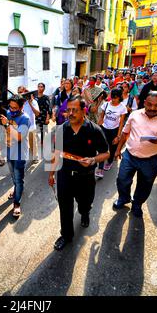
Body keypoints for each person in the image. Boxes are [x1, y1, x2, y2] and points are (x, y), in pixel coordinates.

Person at [48, 95, 109, 250]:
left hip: (86, 177)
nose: (71, 113)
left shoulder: (94, 130)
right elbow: (56, 152)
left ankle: (85, 212)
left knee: (85, 202)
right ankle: (66, 235)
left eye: (74, 110)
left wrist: (93, 160)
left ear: (84, 110)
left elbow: (106, 153)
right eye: (68, 110)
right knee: (65, 206)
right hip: (65, 176)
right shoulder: (62, 129)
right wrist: (51, 174)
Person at [112, 92, 157, 217]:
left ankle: (137, 204)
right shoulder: (135, 114)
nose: (152, 108)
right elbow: (125, 133)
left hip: (150, 160)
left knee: (145, 185)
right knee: (122, 180)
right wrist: (118, 150)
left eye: (156, 105)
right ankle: (124, 198)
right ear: (144, 103)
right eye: (149, 104)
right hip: (129, 156)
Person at [0, 95, 30, 217]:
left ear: (21, 107)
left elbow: (19, 137)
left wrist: (7, 125)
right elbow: (4, 131)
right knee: (13, 177)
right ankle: (17, 190)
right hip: (10, 151)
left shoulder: (25, 119)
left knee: (19, 178)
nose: (12, 110)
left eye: (15, 108)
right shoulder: (9, 114)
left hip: (20, 153)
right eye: (10, 107)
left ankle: (17, 203)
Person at [95, 88, 128, 178]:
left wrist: (118, 136)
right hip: (104, 128)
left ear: (119, 97)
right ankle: (100, 169)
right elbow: (101, 118)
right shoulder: (105, 105)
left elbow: (121, 123)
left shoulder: (122, 107)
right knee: (103, 147)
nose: (113, 99)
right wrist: (97, 129)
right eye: (112, 97)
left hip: (114, 130)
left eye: (116, 98)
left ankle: (109, 161)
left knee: (112, 147)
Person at [18, 86, 40, 163]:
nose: (20, 94)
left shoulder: (33, 102)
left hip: (31, 127)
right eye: (19, 92)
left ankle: (35, 157)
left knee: (33, 143)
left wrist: (30, 103)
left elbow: (37, 114)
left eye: (22, 92)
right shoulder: (19, 103)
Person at [35, 82, 52, 149]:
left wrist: (47, 118)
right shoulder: (35, 98)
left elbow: (49, 109)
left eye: (41, 86)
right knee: (36, 130)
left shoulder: (46, 97)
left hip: (44, 117)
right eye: (39, 86)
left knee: (43, 131)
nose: (40, 88)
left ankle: (43, 144)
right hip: (36, 118)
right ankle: (37, 143)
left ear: (44, 88)